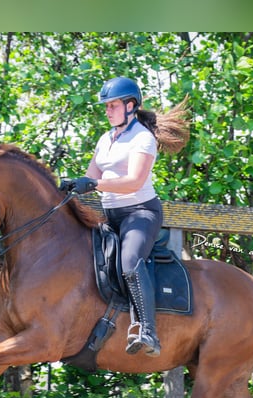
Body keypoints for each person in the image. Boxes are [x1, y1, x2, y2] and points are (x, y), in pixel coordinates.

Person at [62, 76, 190, 357]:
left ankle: (148, 331)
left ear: (130, 106)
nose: (107, 111)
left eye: (112, 105)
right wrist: (72, 184)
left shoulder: (142, 138)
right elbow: (92, 176)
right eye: (106, 106)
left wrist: (94, 185)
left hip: (140, 214)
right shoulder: (105, 139)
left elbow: (133, 181)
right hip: (111, 215)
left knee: (130, 262)